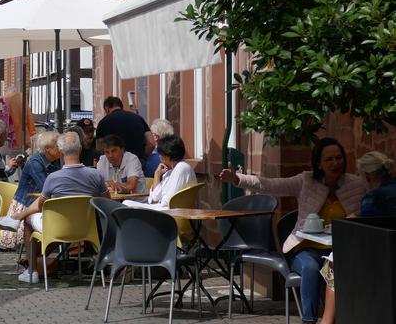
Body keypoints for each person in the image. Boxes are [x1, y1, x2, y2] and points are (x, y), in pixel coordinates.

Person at [219, 138, 367, 324]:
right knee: (311, 268)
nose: (335, 163)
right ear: (319, 163)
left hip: (339, 250)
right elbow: (270, 185)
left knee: (335, 268)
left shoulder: (356, 184)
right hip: (305, 247)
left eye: (339, 158)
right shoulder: (306, 181)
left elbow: (372, 202)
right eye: (329, 159)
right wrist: (237, 179)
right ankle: (309, 320)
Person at [0, 132, 110, 284]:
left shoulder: (53, 178)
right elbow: (107, 201)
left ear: (61, 152)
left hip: (59, 227)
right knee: (57, 221)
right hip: (86, 227)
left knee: (31, 220)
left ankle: (31, 271)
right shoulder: (96, 175)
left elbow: (41, 204)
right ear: (80, 149)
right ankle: (17, 219)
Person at [316, 151, 395, 324]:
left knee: (333, 262)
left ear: (366, 176)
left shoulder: (373, 197)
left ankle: (327, 320)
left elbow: (368, 235)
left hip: (380, 261)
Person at [0, 131, 61, 250]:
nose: (61, 147)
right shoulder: (35, 163)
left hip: (44, 202)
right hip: (28, 203)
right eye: (58, 145)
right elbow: (46, 188)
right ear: (48, 149)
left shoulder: (56, 160)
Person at [128, 135, 198, 209]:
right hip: (160, 208)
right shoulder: (169, 172)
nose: (159, 156)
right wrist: (157, 174)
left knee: (127, 205)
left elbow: (167, 201)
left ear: (168, 154)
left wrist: (158, 201)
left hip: (168, 212)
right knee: (126, 203)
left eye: (161, 154)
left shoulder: (182, 167)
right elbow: (154, 197)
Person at [94, 96, 155, 164]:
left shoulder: (103, 122)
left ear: (107, 109)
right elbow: (151, 144)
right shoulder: (139, 119)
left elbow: (99, 148)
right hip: (138, 163)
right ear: (121, 107)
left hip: (114, 166)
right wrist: (141, 156)